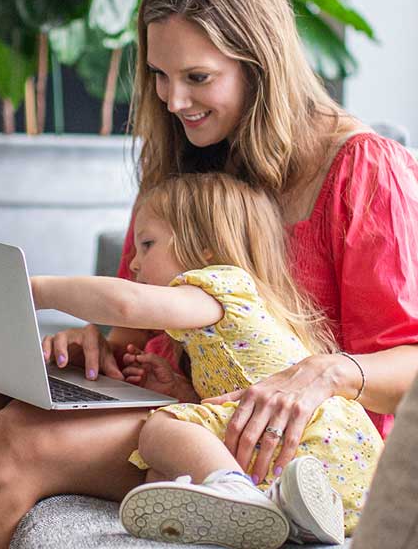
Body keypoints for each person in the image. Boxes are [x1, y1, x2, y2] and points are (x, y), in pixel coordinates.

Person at [0, 0, 418, 549]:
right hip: (172, 395)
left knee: (19, 444)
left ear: (260, 65)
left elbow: (408, 358)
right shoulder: (185, 160)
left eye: (198, 78)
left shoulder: (365, 169)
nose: (173, 100)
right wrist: (94, 343)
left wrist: (324, 371)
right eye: (160, 75)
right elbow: (132, 321)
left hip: (285, 435)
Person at [36, 171, 379, 546]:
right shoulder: (254, 309)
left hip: (307, 442)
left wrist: (37, 290)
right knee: (161, 474)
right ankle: (285, 514)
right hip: (340, 473)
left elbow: (126, 303)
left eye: (147, 244)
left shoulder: (221, 284)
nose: (133, 264)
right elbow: (236, 389)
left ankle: (238, 493)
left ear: (205, 251)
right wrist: (182, 390)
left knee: (159, 430)